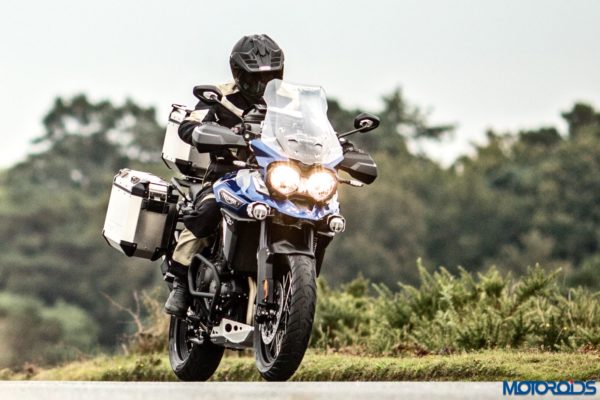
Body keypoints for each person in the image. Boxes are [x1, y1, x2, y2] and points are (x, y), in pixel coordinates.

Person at [164, 34, 285, 318]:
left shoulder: (289, 100)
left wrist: (337, 144)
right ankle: (180, 279)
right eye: (255, 77)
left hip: (275, 179)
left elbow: (314, 130)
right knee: (207, 209)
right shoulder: (219, 96)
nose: (262, 85)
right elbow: (189, 125)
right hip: (227, 174)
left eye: (269, 77)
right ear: (238, 73)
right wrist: (206, 132)